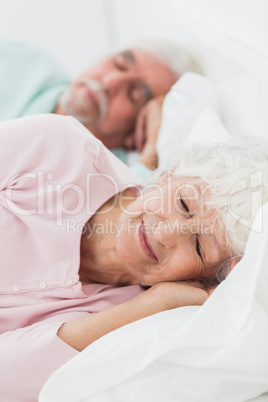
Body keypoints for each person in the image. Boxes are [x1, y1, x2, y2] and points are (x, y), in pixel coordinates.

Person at [1, 114, 267, 401]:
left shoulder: (136, 323)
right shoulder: (58, 147)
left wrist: (158, 302)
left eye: (199, 247)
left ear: (206, 279)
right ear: (170, 175)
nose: (166, 232)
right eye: (184, 204)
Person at [0, 38, 200, 176]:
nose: (110, 82)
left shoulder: (110, 183)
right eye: (119, 64)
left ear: (138, 130)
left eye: (134, 95)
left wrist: (150, 153)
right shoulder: (19, 61)